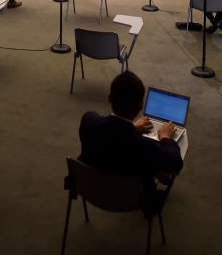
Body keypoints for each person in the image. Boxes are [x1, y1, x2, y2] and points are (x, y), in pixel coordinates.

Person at [78, 71, 183, 210]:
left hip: (88, 189)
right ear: (140, 106)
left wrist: (131, 127)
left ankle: (154, 170)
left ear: (109, 97)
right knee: (153, 163)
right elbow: (175, 164)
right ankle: (155, 170)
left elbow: (113, 140)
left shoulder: (88, 121)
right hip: (134, 201)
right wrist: (165, 137)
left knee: (145, 162)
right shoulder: (145, 146)